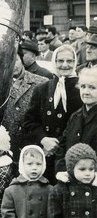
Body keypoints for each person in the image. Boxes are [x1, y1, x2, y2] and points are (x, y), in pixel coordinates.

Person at [22, 45, 82, 183]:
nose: (65, 65)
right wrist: (43, 139)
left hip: (70, 155)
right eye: (60, 61)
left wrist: (58, 145)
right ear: (54, 62)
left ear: (75, 62)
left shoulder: (82, 89)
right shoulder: (42, 88)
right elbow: (29, 121)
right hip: (45, 155)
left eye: (70, 61)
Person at [2, 53, 47, 163]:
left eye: (15, 60)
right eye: (8, 62)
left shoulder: (42, 82)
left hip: (32, 145)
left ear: (22, 60)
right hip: (6, 145)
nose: (13, 65)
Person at [55, 67, 97, 173]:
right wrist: (61, 171)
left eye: (92, 87)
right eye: (83, 86)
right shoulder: (75, 116)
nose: (86, 92)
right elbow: (62, 147)